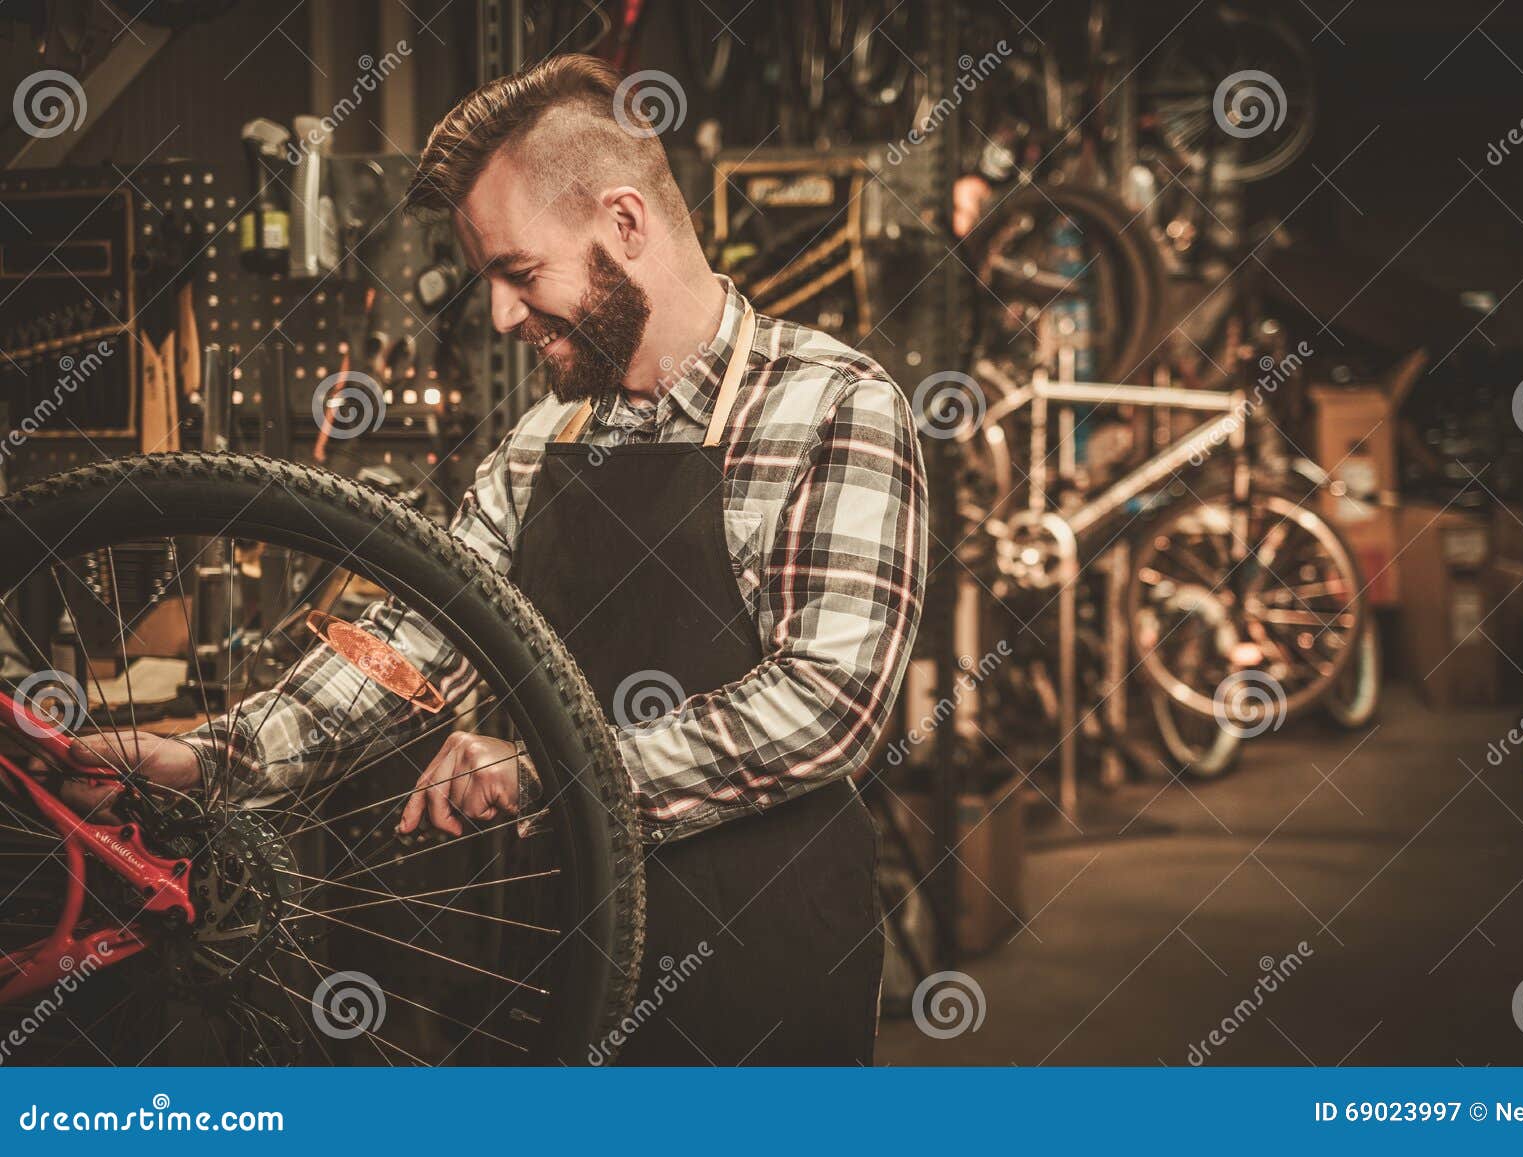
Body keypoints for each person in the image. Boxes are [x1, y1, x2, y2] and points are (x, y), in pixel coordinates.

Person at [65, 54, 927, 1065]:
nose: (505, 315)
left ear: (625, 225)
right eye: (492, 283)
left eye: (521, 274)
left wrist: (554, 771)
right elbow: (408, 647)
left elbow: (829, 705)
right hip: (564, 959)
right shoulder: (543, 440)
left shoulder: (834, 405)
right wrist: (214, 756)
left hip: (765, 957)